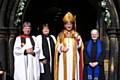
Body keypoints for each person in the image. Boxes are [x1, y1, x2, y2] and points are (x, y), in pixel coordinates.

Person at [54, 12, 84, 80]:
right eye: (67, 24)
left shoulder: (76, 34)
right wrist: (61, 48)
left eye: (70, 23)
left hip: (74, 58)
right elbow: (57, 46)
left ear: (72, 25)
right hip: (63, 58)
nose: (69, 25)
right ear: (64, 25)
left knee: (73, 74)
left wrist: (78, 40)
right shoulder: (61, 35)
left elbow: (80, 46)